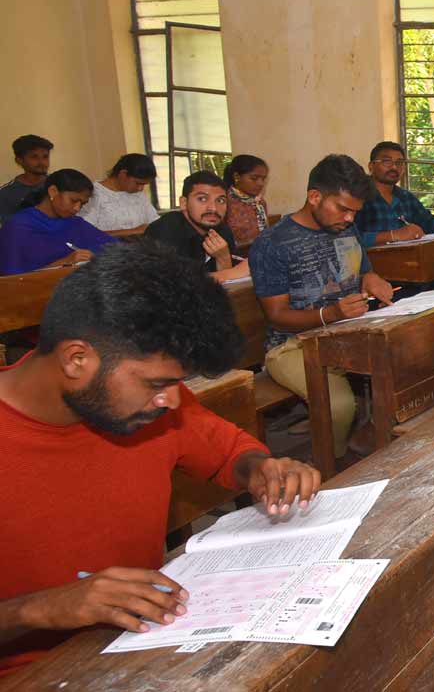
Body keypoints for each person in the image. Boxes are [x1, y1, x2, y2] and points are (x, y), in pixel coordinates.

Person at [0, 241, 320, 675]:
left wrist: (260, 469)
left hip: (149, 641)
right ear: (77, 358)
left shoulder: (152, 408)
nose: (171, 400)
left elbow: (230, 450)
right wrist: (37, 609)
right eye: (156, 384)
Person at [249, 154, 395, 462]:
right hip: (292, 345)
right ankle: (333, 466)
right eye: (343, 209)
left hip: (347, 332)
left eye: (355, 212)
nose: (350, 219)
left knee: (410, 361)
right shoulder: (273, 243)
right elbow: (277, 316)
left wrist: (372, 278)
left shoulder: (345, 228)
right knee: (337, 406)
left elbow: (363, 269)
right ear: (314, 196)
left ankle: (372, 438)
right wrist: (332, 314)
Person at [0, 169, 115, 275]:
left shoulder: (75, 224)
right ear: (53, 191)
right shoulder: (18, 226)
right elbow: (12, 280)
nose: (77, 208)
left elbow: (113, 248)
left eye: (82, 204)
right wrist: (65, 262)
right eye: (73, 200)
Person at [144, 171, 250, 284]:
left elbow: (228, 285)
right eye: (202, 199)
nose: (213, 208)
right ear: (184, 203)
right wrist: (232, 272)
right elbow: (170, 286)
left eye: (221, 200)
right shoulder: (166, 230)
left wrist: (223, 259)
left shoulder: (223, 231)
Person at [354, 141, 434, 248]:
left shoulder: (406, 197)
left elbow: (427, 221)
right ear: (371, 166)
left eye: (399, 163)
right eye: (387, 161)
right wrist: (393, 235)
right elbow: (349, 239)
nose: (394, 167)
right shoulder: (358, 196)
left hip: (408, 257)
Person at [78, 154, 160, 237]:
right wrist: (133, 231)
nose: (140, 189)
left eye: (144, 185)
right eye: (138, 183)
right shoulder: (93, 194)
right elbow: (84, 234)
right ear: (123, 174)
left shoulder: (138, 194)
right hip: (107, 245)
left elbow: (154, 223)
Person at [0, 135, 53, 224]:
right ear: (19, 160)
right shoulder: (5, 193)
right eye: (34, 157)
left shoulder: (59, 184)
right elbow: (9, 227)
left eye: (45, 157)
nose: (42, 162)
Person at [223, 154, 271, 247]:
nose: (261, 183)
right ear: (237, 176)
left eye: (263, 179)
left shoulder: (259, 203)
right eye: (254, 178)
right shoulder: (224, 202)